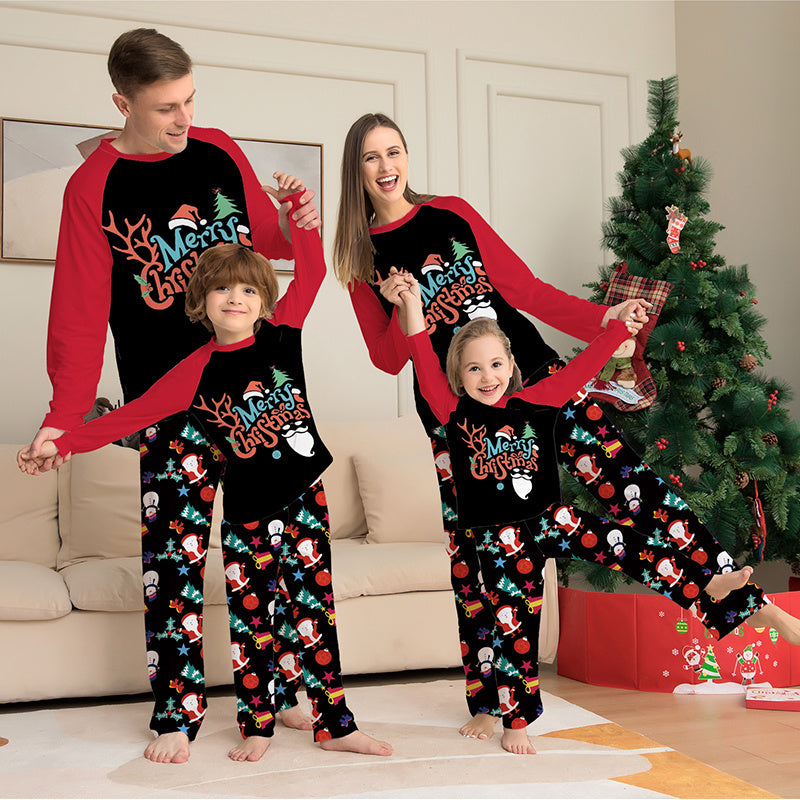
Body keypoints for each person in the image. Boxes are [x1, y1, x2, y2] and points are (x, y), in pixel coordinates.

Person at [332, 112, 789, 741]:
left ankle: (715, 578)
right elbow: (387, 357)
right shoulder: (363, 256)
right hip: (457, 415)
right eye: (370, 158)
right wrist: (397, 306)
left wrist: (607, 320)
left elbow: (524, 289)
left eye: (394, 152)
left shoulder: (453, 214)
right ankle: (488, 699)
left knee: (625, 481)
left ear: (408, 157)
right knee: (473, 548)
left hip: (532, 377)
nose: (386, 168)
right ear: (354, 172)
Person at [16, 28, 319, 764]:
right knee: (175, 563)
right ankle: (175, 713)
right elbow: (80, 314)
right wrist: (64, 417)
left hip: (257, 390)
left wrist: (297, 224)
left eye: (189, 100)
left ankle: (275, 694)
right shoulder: (92, 188)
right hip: (169, 403)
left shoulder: (217, 149)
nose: (184, 119)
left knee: (271, 554)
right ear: (122, 102)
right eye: (164, 108)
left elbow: (266, 245)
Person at [18, 199, 393, 761]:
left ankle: (336, 725)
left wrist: (299, 217)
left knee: (316, 614)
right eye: (222, 290)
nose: (236, 299)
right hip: (243, 514)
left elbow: (312, 273)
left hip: (302, 499)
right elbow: (131, 415)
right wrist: (63, 441)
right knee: (252, 624)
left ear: (264, 300)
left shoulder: (283, 335)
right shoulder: (192, 373)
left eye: (247, 290)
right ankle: (257, 727)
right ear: (200, 303)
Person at [390, 277, 800, 754]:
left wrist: (613, 332)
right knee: (514, 626)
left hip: (551, 520)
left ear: (513, 366)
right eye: (475, 369)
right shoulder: (451, 413)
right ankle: (516, 724)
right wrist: (411, 306)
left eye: (497, 364)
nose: (487, 376)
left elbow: (580, 370)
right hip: (501, 543)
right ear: (458, 378)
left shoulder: (537, 402)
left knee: (635, 547)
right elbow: (420, 353)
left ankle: (706, 583)